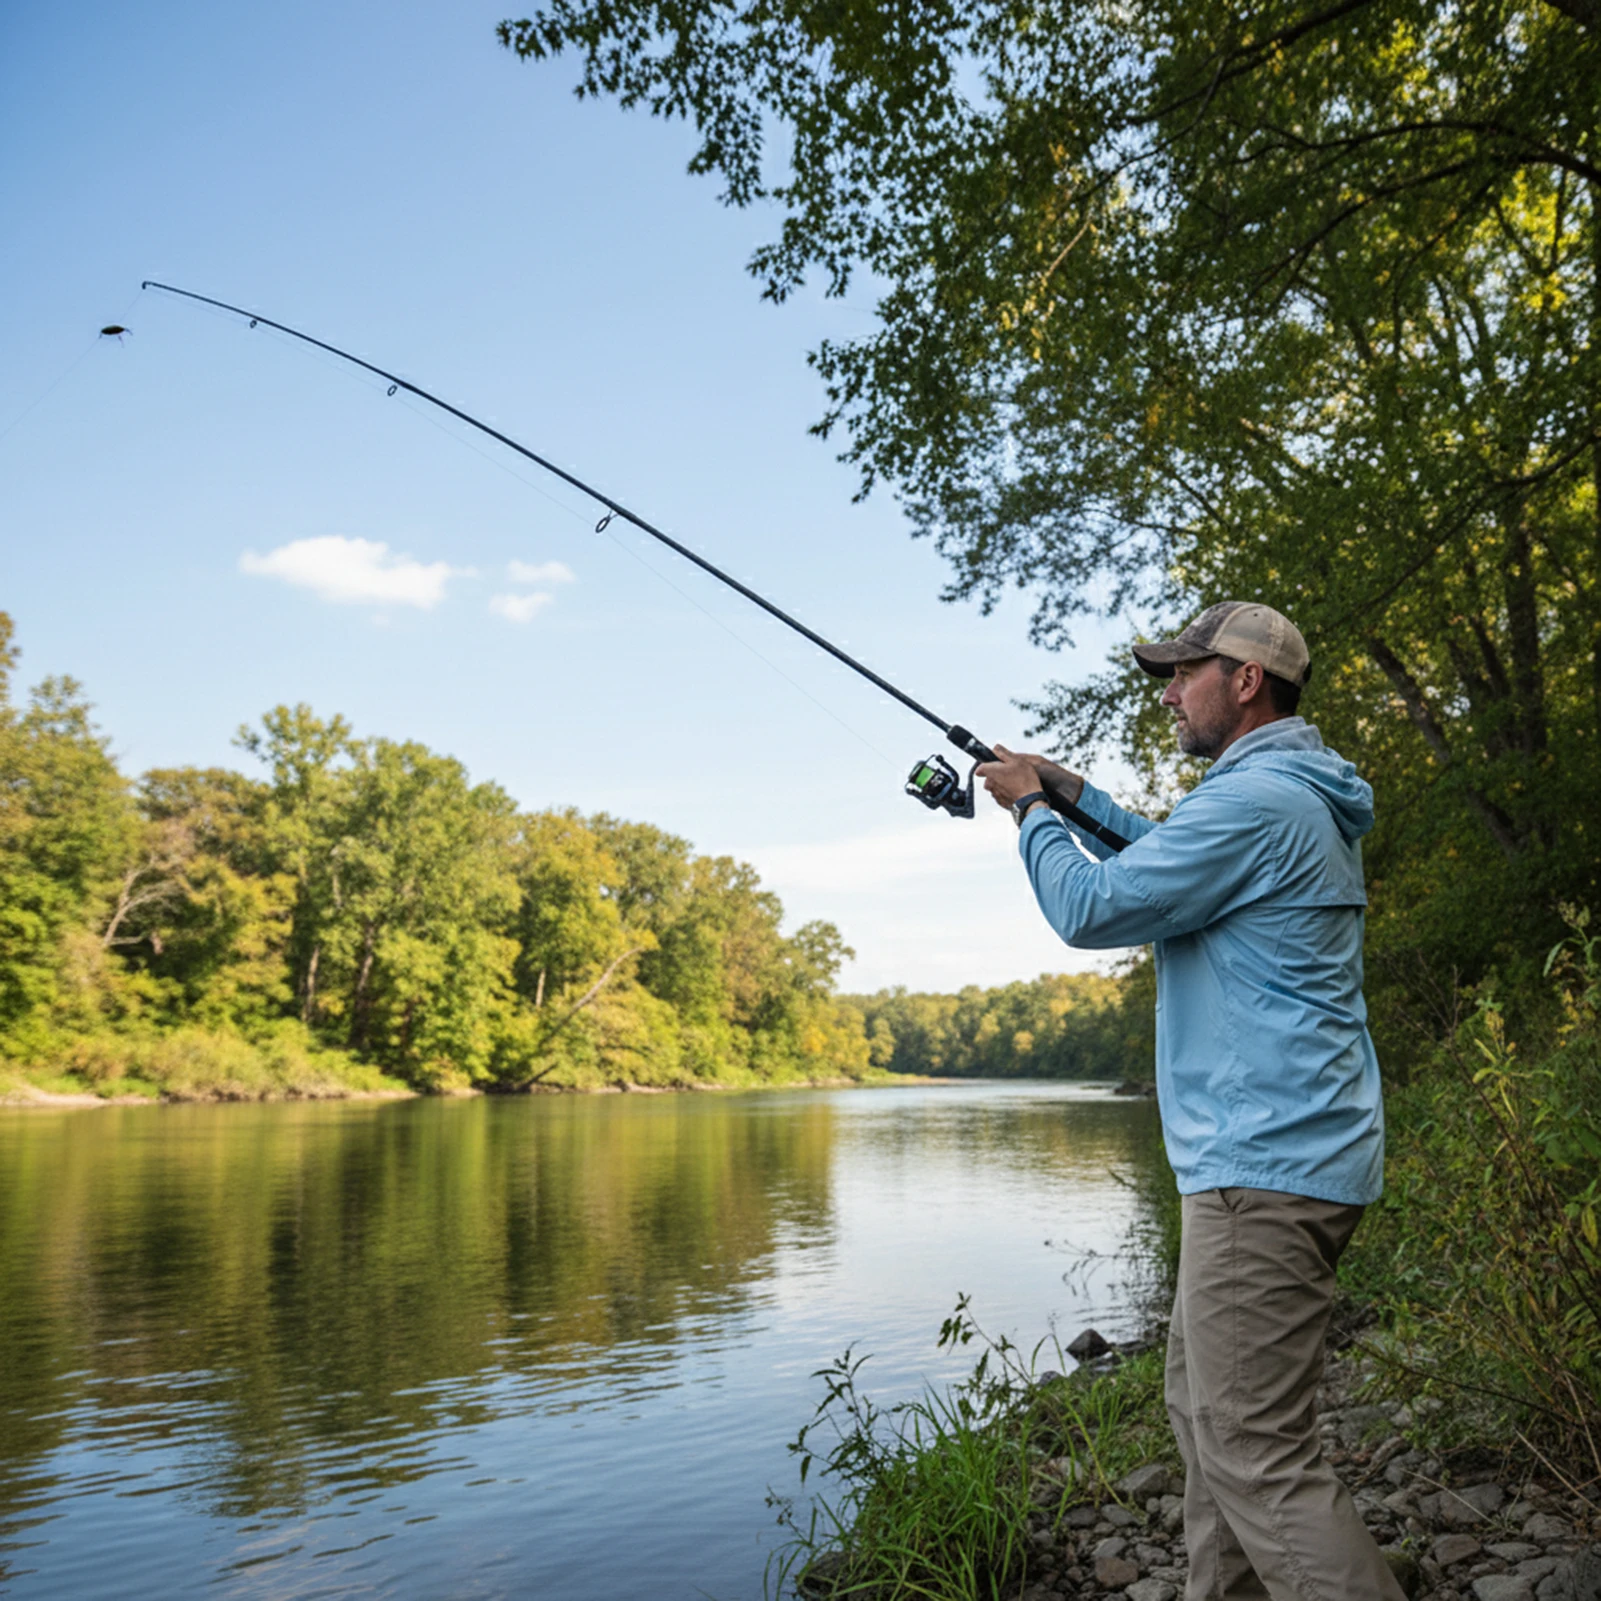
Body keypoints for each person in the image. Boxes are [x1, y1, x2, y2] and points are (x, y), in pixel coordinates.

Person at [977, 600, 1406, 1601]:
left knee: (1253, 1449)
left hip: (1264, 1165)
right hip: (1270, 1159)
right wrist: (1073, 794)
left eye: (1182, 673)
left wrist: (1031, 814)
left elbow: (1093, 905)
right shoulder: (1278, 794)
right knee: (1206, 1420)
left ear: (1245, 679)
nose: (1167, 693)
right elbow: (1165, 857)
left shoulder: (1256, 801)